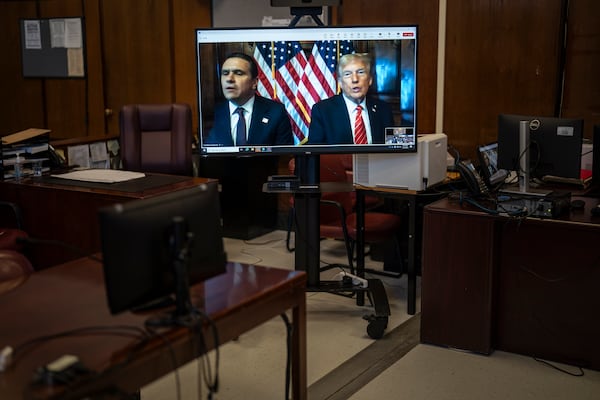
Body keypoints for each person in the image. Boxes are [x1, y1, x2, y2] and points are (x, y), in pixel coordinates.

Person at [204, 52, 293, 146]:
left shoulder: (276, 112)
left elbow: (284, 157)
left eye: (238, 73)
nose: (229, 79)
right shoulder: (212, 114)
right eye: (225, 73)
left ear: (254, 82)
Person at [307, 53, 394, 145]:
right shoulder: (323, 111)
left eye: (360, 72)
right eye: (348, 74)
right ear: (340, 82)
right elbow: (315, 154)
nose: (355, 79)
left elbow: (393, 149)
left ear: (370, 80)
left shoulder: (384, 109)